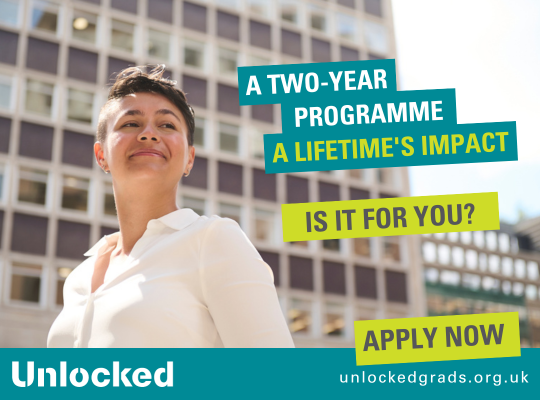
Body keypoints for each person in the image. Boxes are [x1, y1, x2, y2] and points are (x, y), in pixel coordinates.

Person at [47, 65, 294, 348]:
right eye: (130, 124)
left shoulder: (213, 240)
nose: (149, 134)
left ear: (189, 158)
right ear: (101, 154)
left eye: (167, 125)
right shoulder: (80, 275)